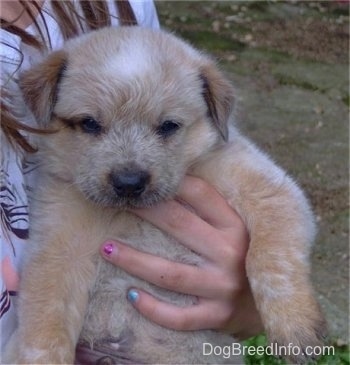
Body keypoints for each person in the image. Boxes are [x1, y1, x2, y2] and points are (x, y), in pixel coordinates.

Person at [0, 0, 262, 357]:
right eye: (91, 124)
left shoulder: (118, 7)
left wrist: (247, 293)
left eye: (166, 127)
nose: (128, 174)